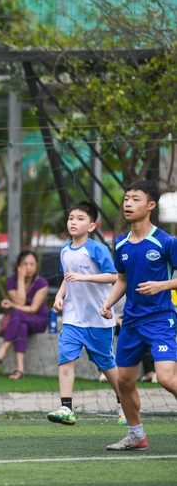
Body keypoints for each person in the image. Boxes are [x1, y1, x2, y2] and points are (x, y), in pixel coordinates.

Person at [100, 180, 177, 451]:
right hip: (131, 322)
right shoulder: (121, 244)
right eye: (126, 199)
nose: (128, 204)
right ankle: (136, 435)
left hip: (160, 319)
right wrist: (109, 303)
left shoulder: (167, 242)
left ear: (151, 206)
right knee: (124, 381)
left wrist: (162, 285)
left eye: (135, 199)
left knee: (167, 378)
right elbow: (122, 279)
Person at [47, 200, 125, 426]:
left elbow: (114, 277)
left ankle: (124, 403)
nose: (74, 222)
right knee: (66, 359)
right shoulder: (64, 250)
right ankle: (66, 407)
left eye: (80, 219)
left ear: (92, 226)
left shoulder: (96, 249)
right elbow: (66, 278)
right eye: (71, 218)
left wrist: (85, 277)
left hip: (98, 320)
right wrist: (59, 296)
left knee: (107, 366)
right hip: (72, 319)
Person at [0, 249, 49, 379]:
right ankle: (20, 369)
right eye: (25, 264)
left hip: (38, 320)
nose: (29, 267)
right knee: (21, 326)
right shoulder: (11, 281)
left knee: (17, 312)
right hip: (21, 321)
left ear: (36, 265)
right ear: (19, 265)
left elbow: (32, 308)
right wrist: (20, 278)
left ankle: (1, 352)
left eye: (32, 264)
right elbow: (21, 301)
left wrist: (13, 305)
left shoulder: (42, 283)